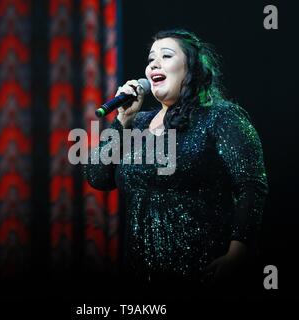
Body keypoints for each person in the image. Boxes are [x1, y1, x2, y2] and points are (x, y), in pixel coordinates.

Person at [83, 29, 268, 294]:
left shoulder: (220, 117)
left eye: (166, 56)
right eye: (150, 60)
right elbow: (98, 178)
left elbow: (252, 185)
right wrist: (122, 120)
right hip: (140, 275)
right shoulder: (139, 123)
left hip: (202, 273)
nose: (153, 64)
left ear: (192, 68)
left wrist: (237, 253)